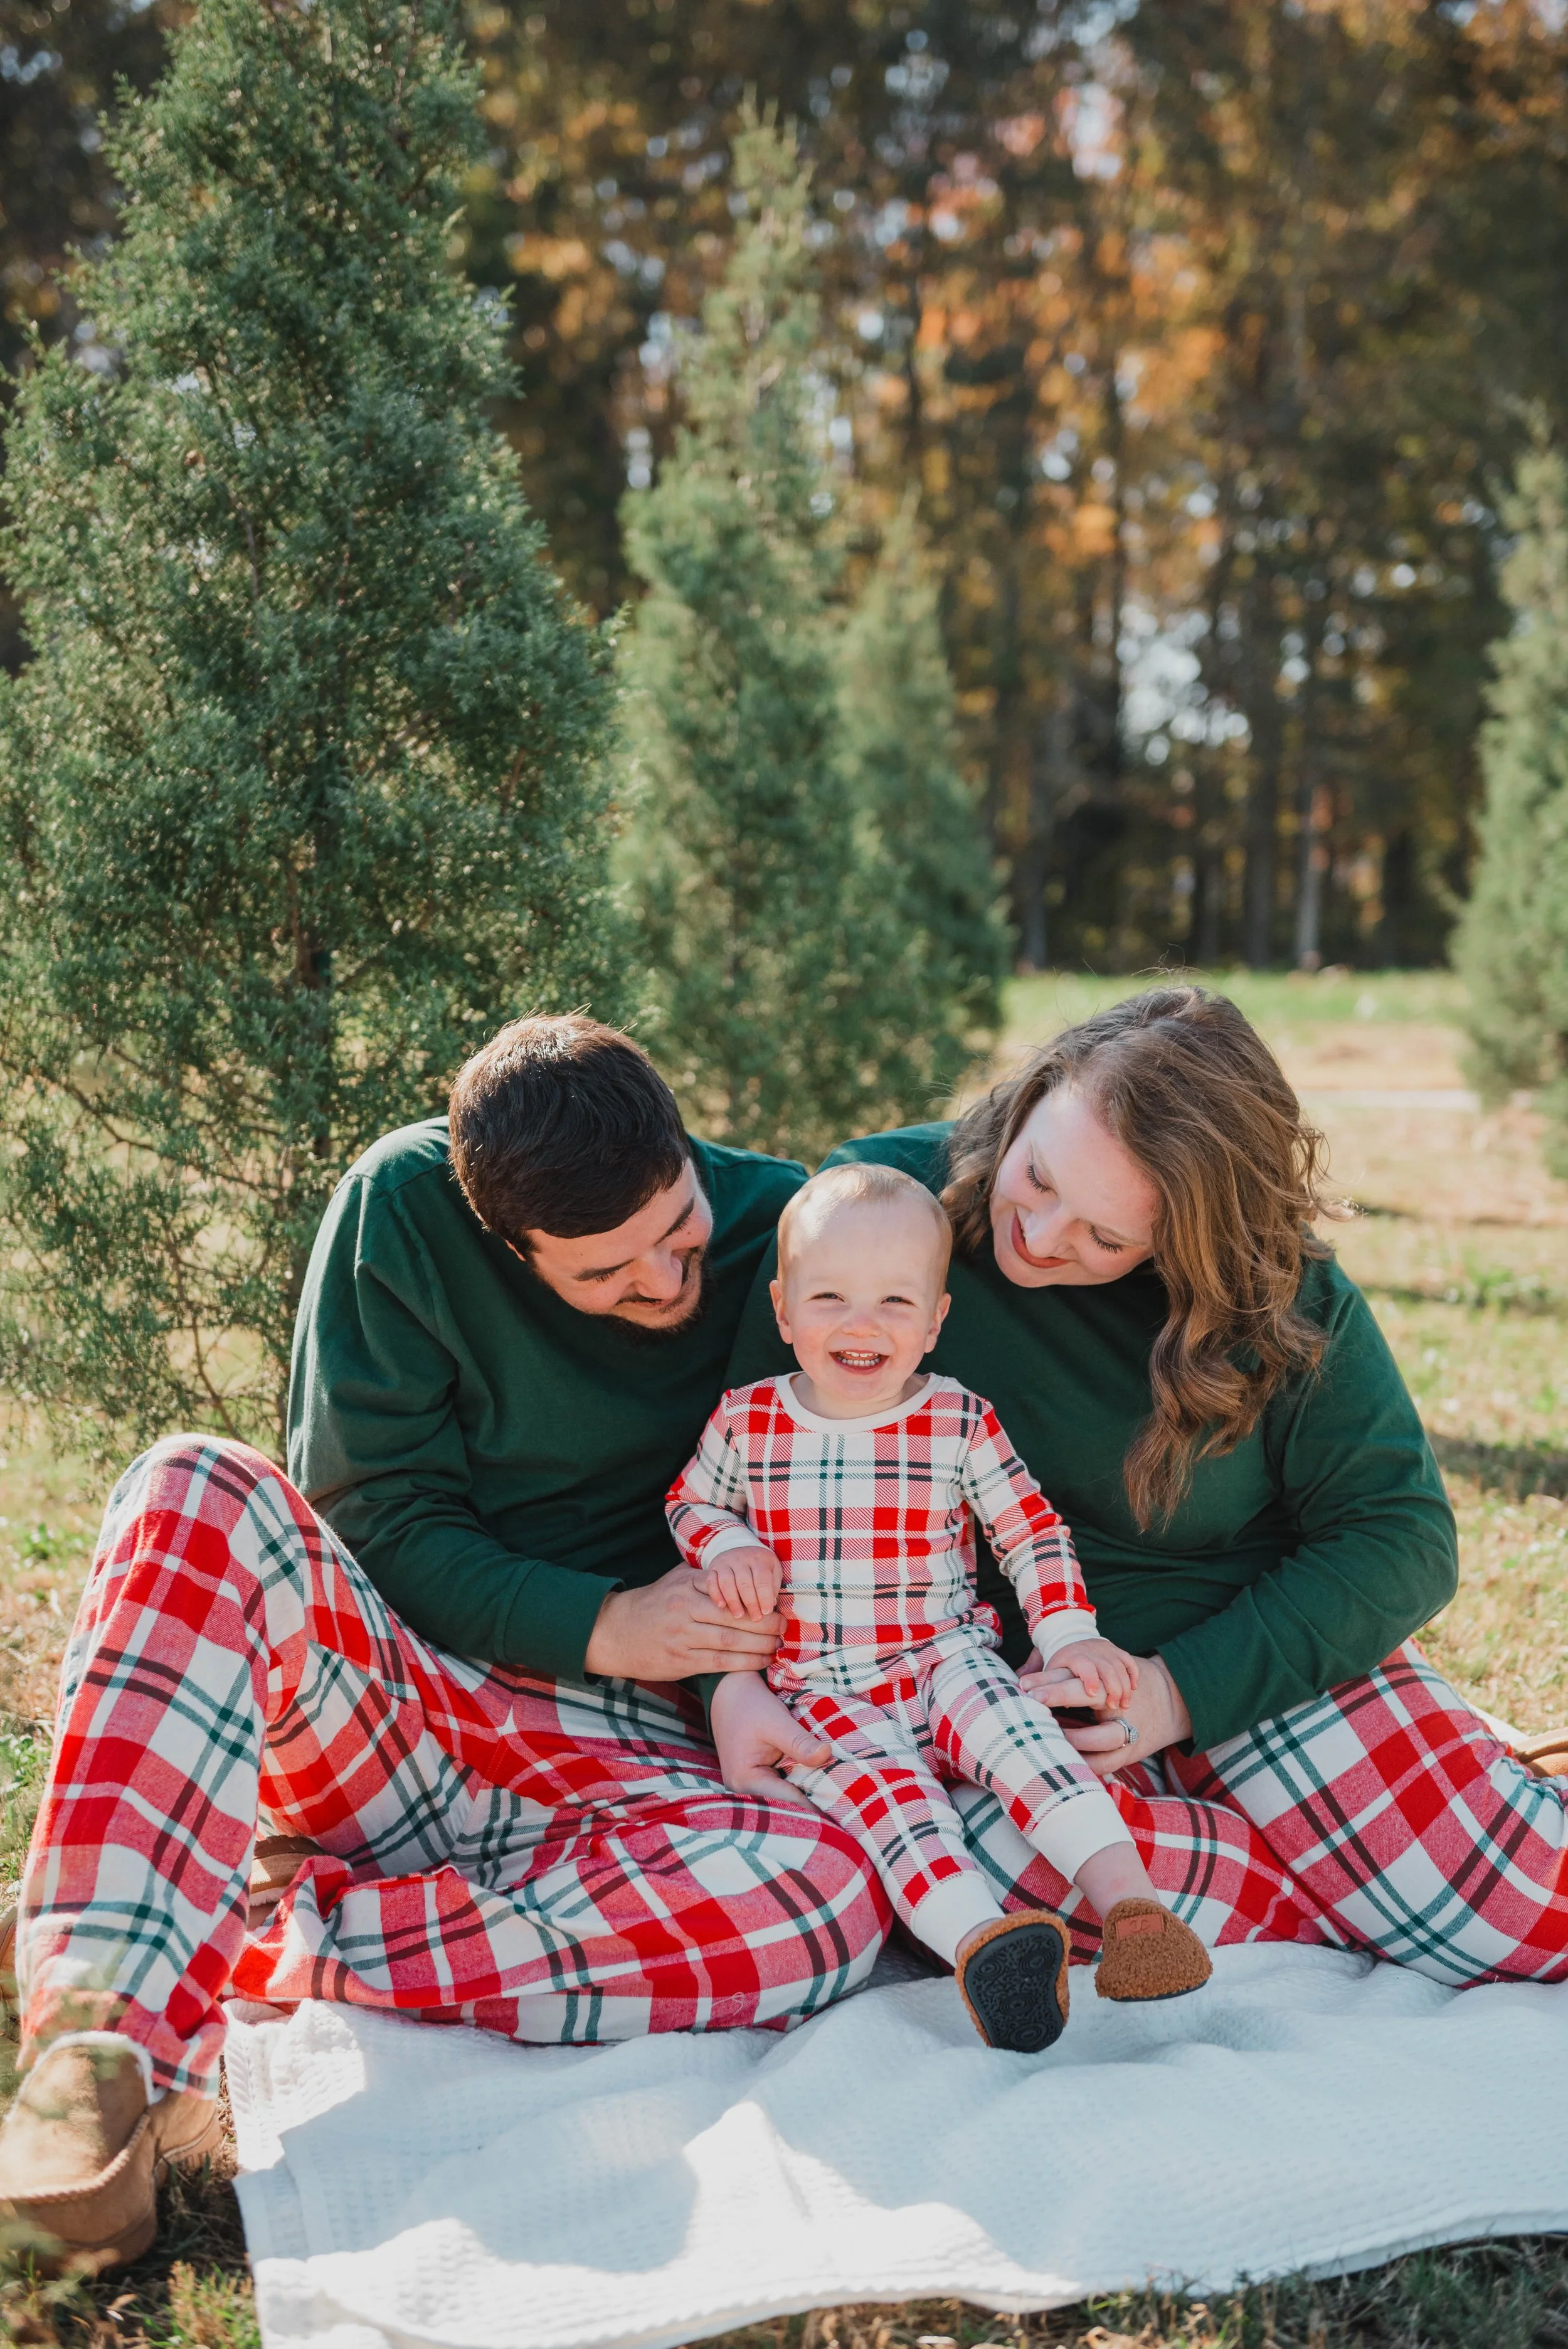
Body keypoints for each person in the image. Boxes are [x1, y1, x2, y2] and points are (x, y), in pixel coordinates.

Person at [0, 1016, 890, 2272]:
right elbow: (384, 1522)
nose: (660, 1281)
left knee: (823, 1901)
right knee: (189, 1484)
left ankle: (223, 1921)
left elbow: (807, 1503)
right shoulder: (402, 1216)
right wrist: (606, 1623)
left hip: (634, 1762)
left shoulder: (779, 1236)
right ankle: (93, 2051)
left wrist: (701, 1662)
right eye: (603, 1272)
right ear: (506, 1240)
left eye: (673, 1230)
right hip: (409, 1700)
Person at [729, 985, 1568, 1981]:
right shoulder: (877, 1212)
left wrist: (1175, 1698)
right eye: (1036, 1177)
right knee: (980, 1896)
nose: (1040, 1237)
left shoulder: (1275, 1294)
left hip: (1238, 1653)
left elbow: (1401, 1537)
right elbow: (750, 1473)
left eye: (1107, 1237)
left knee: (1527, 1920)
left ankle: (1396, 1860)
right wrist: (731, 1685)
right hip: (992, 1698)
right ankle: (1356, 1892)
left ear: (1184, 1241)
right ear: (1034, 1092)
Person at [667, 1162, 1212, 2053]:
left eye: (892, 1302)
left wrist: (1068, 1633)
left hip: (944, 1657)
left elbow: (1029, 1531)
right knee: (885, 1806)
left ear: (934, 1321)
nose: (860, 1324)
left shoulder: (956, 1420)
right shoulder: (748, 1421)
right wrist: (726, 1544)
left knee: (1021, 1734)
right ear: (783, 1311)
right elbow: (691, 1503)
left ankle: (1134, 1912)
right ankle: (985, 1946)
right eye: (831, 1297)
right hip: (822, 1689)